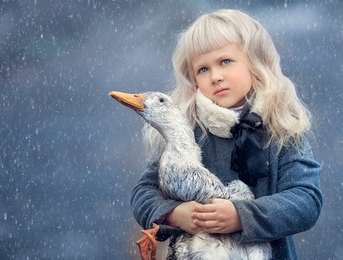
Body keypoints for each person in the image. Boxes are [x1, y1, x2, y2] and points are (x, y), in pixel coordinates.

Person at [131, 9, 322, 259]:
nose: (216, 76)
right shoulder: (184, 127)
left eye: (225, 62)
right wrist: (174, 214)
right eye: (203, 69)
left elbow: (306, 200)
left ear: (255, 62)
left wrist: (241, 216)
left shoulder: (282, 127)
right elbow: (144, 192)